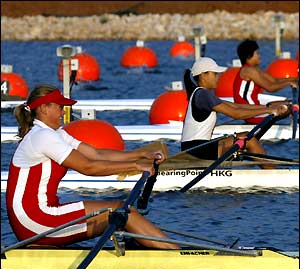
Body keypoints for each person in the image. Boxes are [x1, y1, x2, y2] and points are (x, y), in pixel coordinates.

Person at [6, 84, 179, 249]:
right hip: (35, 220)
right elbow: (88, 167)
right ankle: (177, 254)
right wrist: (135, 166)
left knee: (121, 212)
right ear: (44, 108)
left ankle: (149, 253)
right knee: (120, 211)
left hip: (38, 217)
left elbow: (96, 154)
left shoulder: (55, 133)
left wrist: (140, 154)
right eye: (59, 106)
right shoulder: (42, 136)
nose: (63, 111)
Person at [181, 57, 291, 168]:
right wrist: (271, 110)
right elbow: (236, 113)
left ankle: (267, 171)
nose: (218, 77)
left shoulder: (201, 94)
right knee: (250, 140)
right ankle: (272, 174)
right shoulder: (203, 95)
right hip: (195, 151)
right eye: (215, 74)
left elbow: (235, 106)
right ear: (203, 75)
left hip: (195, 148)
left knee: (245, 139)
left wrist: (268, 108)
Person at [233, 39, 297, 124]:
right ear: (249, 56)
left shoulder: (254, 69)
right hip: (251, 113)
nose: (259, 56)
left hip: (256, 108)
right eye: (257, 53)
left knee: (291, 102)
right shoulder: (248, 70)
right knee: (289, 107)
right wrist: (289, 83)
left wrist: (295, 79)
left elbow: (274, 80)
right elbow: (271, 88)